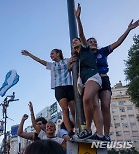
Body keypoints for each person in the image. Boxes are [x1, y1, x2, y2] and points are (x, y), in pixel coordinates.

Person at [87, 19, 139, 141]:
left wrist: (128, 29)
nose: (93, 42)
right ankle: (99, 132)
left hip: (103, 79)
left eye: (95, 41)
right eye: (90, 41)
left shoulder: (103, 51)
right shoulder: (84, 55)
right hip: (92, 81)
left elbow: (118, 42)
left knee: (105, 105)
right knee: (95, 105)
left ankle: (106, 134)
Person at [21, 49, 75, 136]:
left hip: (69, 86)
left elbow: (75, 59)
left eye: (52, 53)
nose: (51, 56)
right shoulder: (52, 65)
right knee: (65, 109)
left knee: (74, 110)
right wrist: (29, 54)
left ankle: (77, 127)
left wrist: (71, 64)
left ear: (58, 54)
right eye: (50, 54)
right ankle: (70, 132)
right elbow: (39, 60)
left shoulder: (67, 60)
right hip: (59, 88)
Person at [70, 4, 104, 140]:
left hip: (93, 76)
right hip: (84, 80)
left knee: (86, 99)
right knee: (94, 105)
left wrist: (78, 18)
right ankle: (100, 134)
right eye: (73, 42)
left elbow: (82, 34)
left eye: (76, 40)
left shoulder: (85, 49)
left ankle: (88, 129)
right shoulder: (77, 58)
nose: (75, 41)